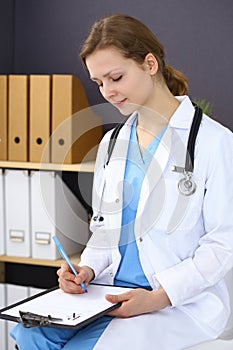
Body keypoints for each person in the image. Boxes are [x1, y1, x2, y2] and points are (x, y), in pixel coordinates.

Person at [11, 13, 233, 350]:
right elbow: (105, 229)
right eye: (99, 82)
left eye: (116, 77)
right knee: (29, 334)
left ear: (149, 64)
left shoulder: (214, 143)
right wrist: (86, 268)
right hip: (107, 291)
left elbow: (222, 245)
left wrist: (158, 298)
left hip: (177, 304)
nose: (108, 92)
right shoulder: (112, 144)